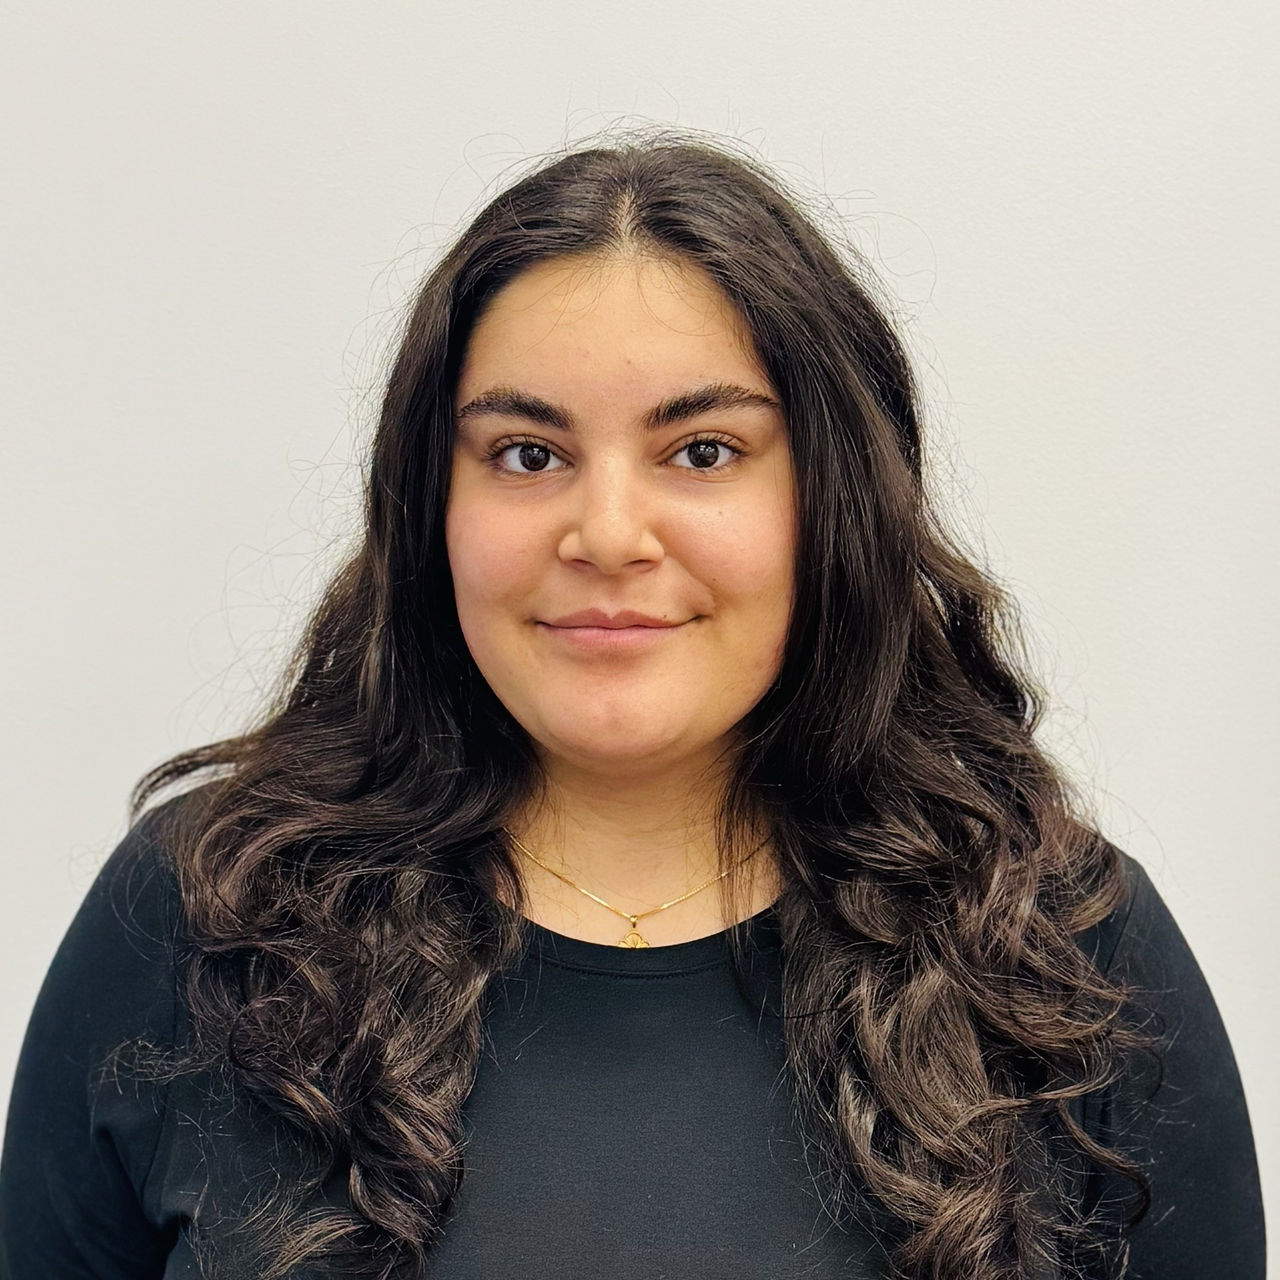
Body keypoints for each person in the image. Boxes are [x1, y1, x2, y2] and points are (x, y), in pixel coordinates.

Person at [0, 130, 1265, 1280]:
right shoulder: (202, 917)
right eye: (526, 454)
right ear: (430, 506)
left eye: (701, 451)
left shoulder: (1061, 949)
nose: (606, 532)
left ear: (830, 500)